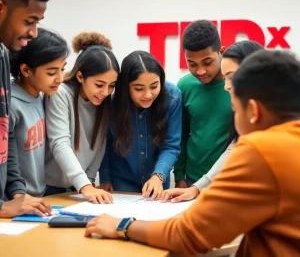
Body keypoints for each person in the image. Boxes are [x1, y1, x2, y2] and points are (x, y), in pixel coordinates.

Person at [85, 50, 300, 257]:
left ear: (253, 111)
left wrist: (123, 226)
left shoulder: (260, 150)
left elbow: (189, 234)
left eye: (234, 108)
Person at [166, 40, 264, 202]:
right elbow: (234, 147)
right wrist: (196, 188)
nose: (226, 86)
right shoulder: (246, 110)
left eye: (232, 77)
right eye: (225, 78)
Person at [0, 0, 52, 218]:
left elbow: (3, 137)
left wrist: (17, 191)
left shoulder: (2, 55)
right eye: (29, 21)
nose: (33, 32)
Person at [45, 32, 119, 204]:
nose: (105, 92)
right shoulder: (60, 93)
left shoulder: (104, 100)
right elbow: (60, 142)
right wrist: (85, 185)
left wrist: (90, 180)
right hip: (51, 187)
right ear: (80, 76)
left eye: (112, 86)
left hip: (79, 187)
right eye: (99, 85)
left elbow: (100, 144)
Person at [99, 51, 181, 200]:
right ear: (125, 86)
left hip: (157, 181)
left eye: (154, 86)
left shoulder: (172, 97)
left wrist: (158, 175)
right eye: (138, 88)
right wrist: (104, 177)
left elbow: (171, 145)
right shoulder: (110, 103)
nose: (148, 94)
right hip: (121, 180)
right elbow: (105, 144)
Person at [9, 27, 69, 197]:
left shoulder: (44, 97)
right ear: (26, 70)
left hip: (40, 196)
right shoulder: (10, 105)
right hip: (15, 200)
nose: (59, 78)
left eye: (62, 69)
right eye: (51, 72)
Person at [173, 20, 232, 188]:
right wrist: (179, 176)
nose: (200, 71)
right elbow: (181, 135)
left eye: (207, 62)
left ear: (221, 52)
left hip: (230, 179)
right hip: (193, 180)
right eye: (192, 64)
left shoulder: (236, 85)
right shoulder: (184, 86)